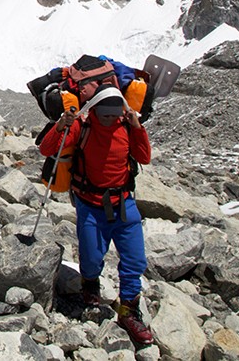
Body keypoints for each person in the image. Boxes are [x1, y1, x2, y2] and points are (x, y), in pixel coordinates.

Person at [39, 84, 154, 345]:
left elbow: (144, 157)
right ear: (95, 109)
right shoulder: (82, 126)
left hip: (124, 204)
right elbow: (47, 150)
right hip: (91, 205)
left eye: (114, 113)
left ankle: (129, 311)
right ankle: (90, 284)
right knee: (90, 260)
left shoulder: (125, 126)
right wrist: (61, 125)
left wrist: (137, 127)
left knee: (134, 261)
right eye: (106, 113)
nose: (110, 118)